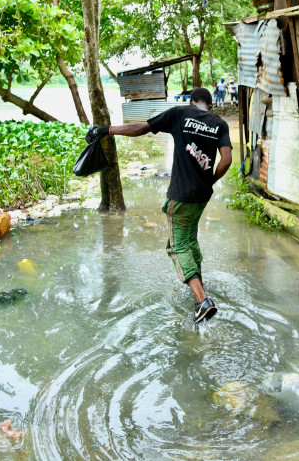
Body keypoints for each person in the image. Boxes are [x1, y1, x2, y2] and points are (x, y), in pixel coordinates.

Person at [87, 87, 233, 323]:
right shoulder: (220, 123)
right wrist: (210, 180)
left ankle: (202, 300)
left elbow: (140, 128)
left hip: (181, 195)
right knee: (190, 239)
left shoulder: (179, 113)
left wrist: (105, 130)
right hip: (201, 196)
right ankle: (199, 282)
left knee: (177, 247)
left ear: (190, 101)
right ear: (210, 105)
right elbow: (226, 160)